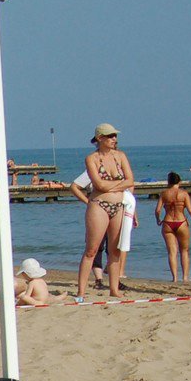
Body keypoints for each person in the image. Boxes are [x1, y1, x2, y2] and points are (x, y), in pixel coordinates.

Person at [79, 124, 136, 300]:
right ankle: (81, 291)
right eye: (110, 136)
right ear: (100, 139)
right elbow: (99, 185)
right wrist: (118, 186)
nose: (114, 139)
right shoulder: (92, 159)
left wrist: (112, 187)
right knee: (92, 249)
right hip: (98, 205)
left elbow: (131, 180)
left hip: (119, 206)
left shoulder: (121, 156)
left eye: (114, 136)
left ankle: (114, 289)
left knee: (115, 250)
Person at [155, 172, 191, 283]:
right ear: (179, 181)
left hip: (167, 222)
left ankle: (174, 278)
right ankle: (185, 278)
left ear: (169, 182)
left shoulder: (164, 194)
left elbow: (158, 210)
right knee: (184, 251)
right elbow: (190, 210)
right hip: (181, 222)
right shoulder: (184, 194)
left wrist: (158, 219)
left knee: (172, 252)